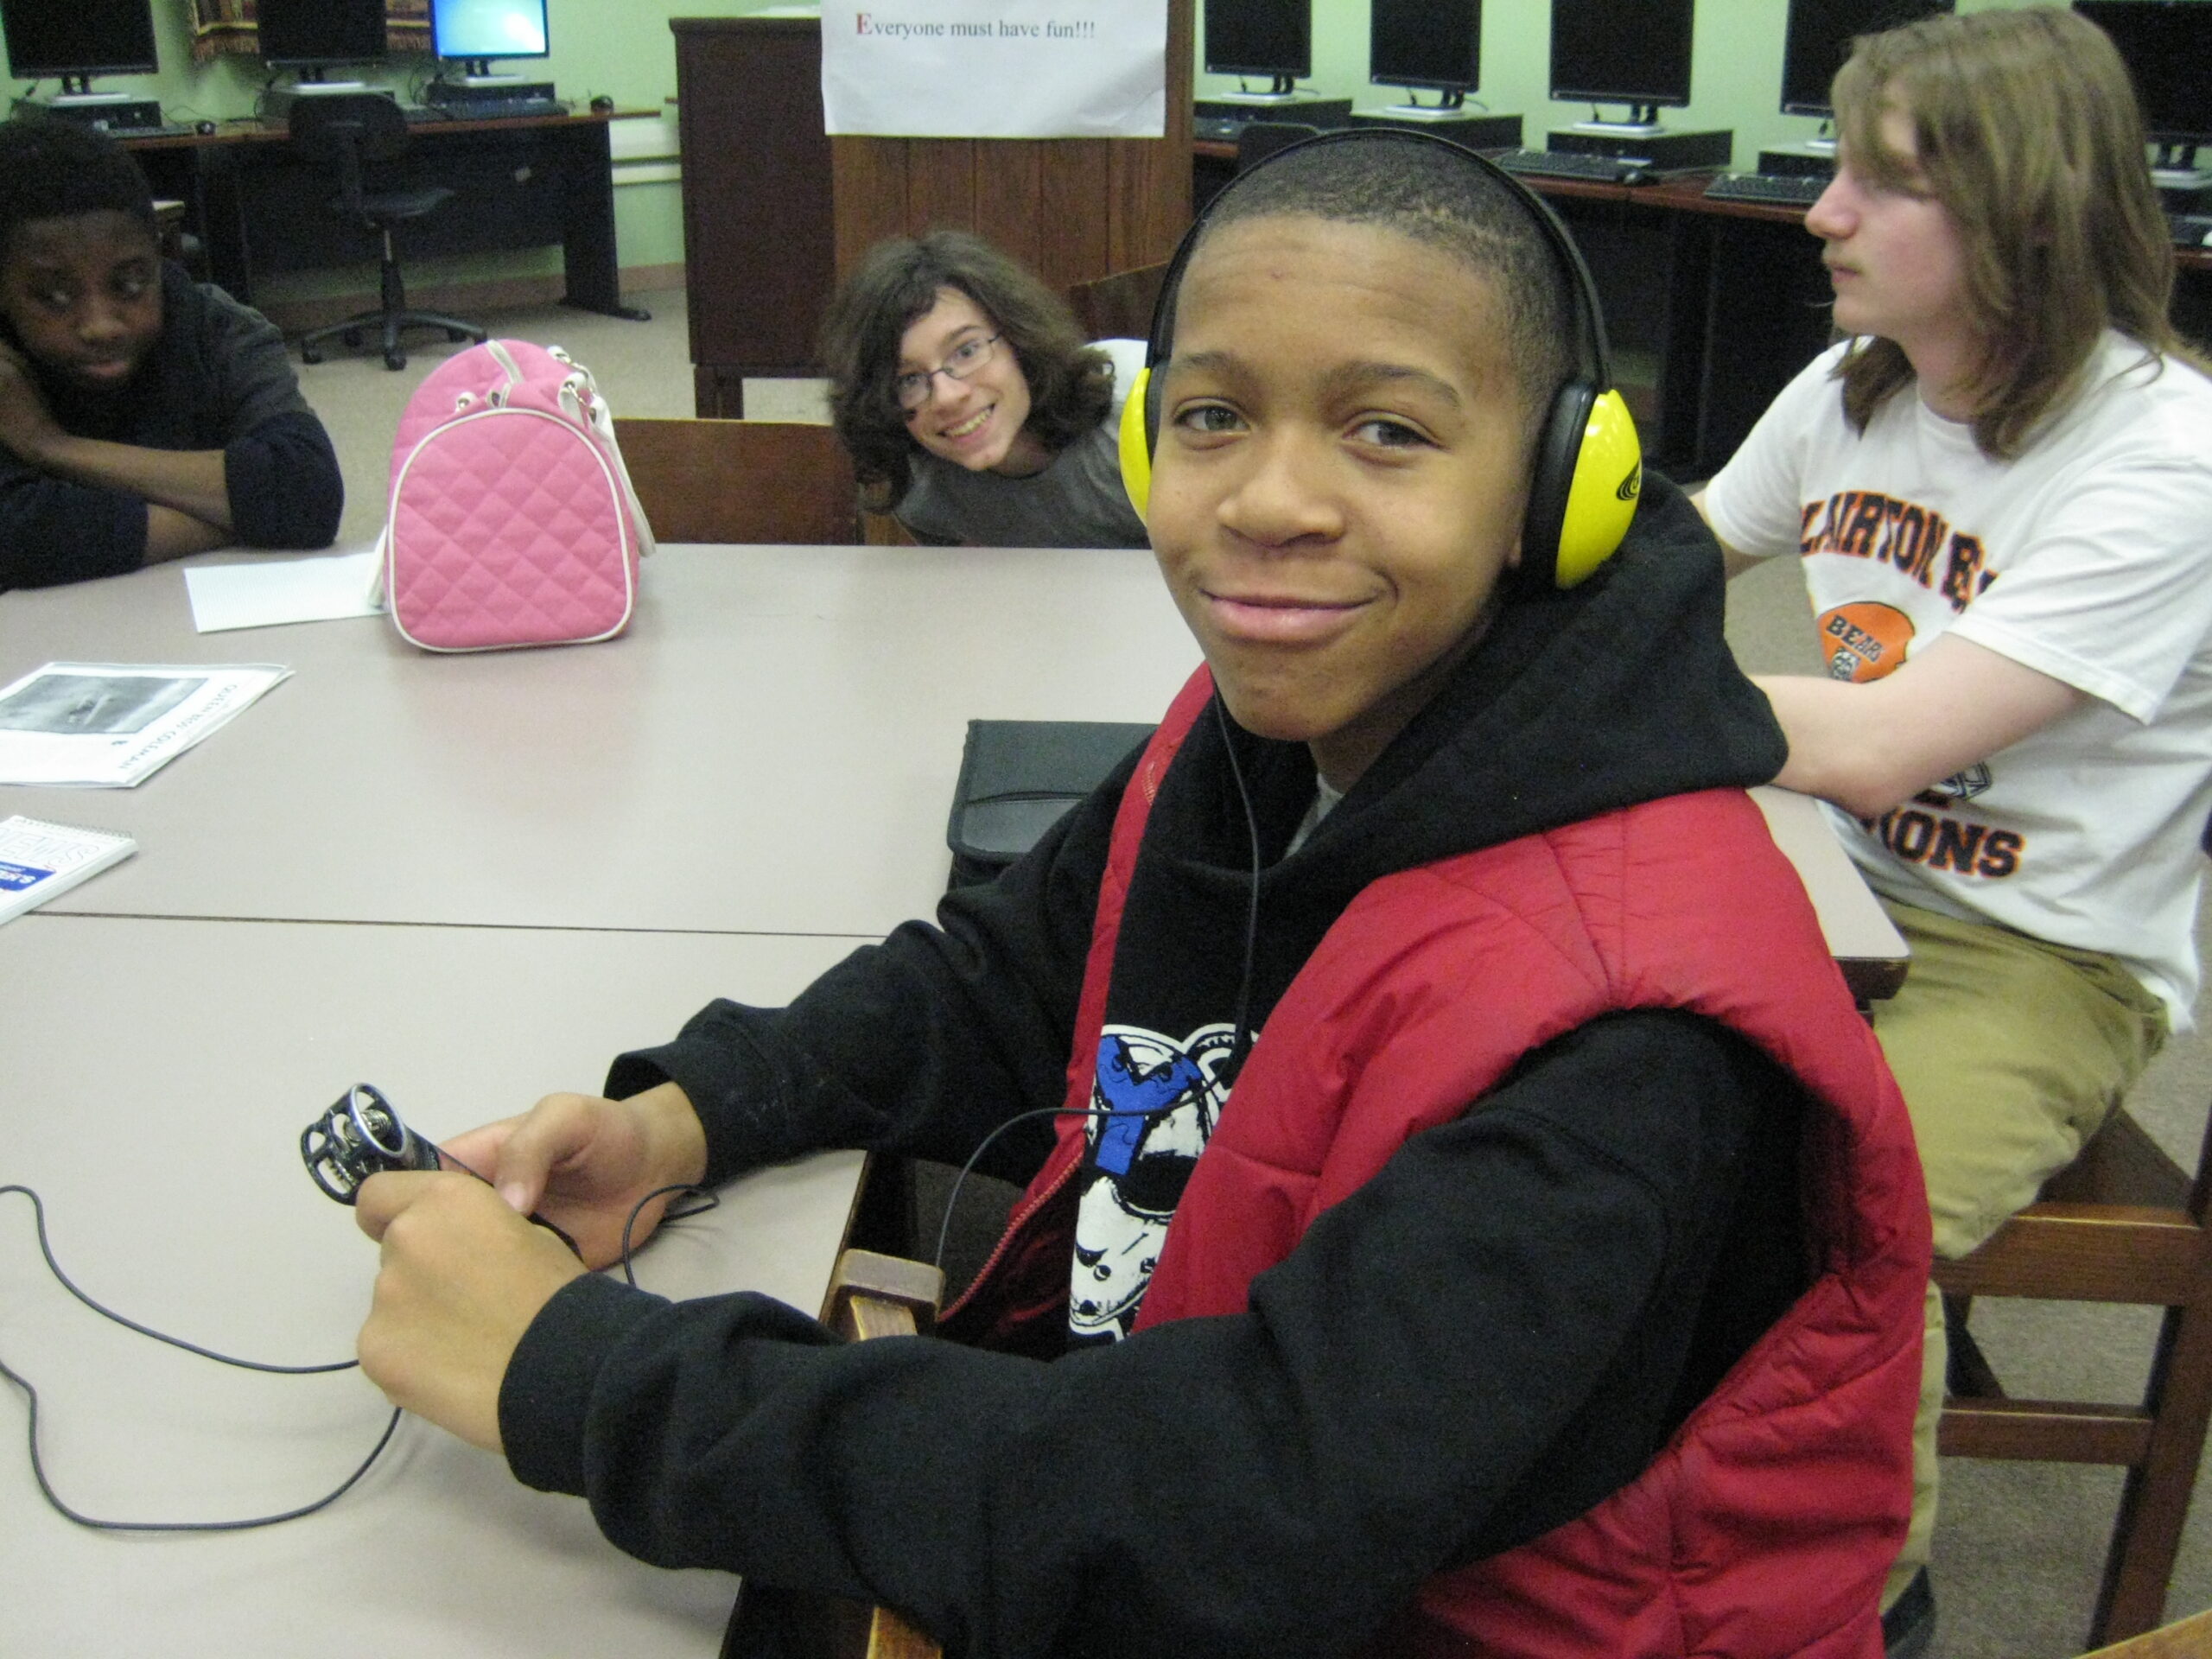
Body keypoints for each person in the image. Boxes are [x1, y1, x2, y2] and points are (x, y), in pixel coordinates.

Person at [351, 133, 1929, 1656]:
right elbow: (1009, 976)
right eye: (1215, 418)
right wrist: (682, 1120)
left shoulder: (1629, 1033)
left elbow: (1236, 1524)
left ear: (1560, 483)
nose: (1266, 503)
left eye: (1388, 430)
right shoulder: (1278, 722)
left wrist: (580, 1378)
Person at [1694, 9, 2212, 1645]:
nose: (1821, 211)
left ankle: (1852, 1613)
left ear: (2022, 216)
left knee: (1843, 1203)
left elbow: (1878, 745)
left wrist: (1583, 710)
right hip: (1836, 889)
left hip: (2043, 956)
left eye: (1878, 182)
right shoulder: (1856, 391)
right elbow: (1666, 571)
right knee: (1593, 1091)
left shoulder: (2163, 460)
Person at [0, 117, 343, 592]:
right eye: (54, 297)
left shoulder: (219, 327)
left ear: (161, 253)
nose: (101, 325)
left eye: (130, 284)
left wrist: (51, 446)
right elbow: (18, 538)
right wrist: (243, 510)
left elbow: (307, 490)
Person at [818, 228, 1150, 549]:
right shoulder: (922, 492)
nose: (947, 396)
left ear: (1020, 338)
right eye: (909, 380)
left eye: (966, 351)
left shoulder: (1146, 407)